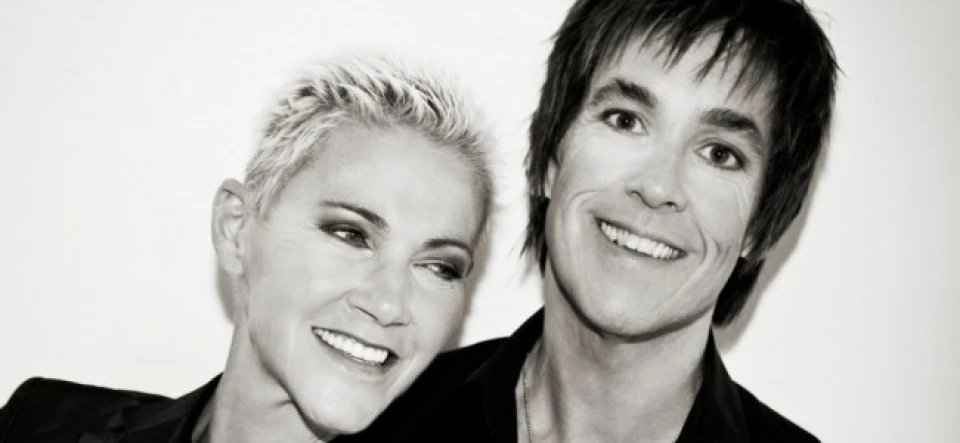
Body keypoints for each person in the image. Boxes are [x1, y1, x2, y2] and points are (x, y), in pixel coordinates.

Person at [339, 0, 839, 442]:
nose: (657, 186)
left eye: (719, 154)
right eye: (626, 120)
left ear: (761, 225)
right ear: (550, 159)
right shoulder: (380, 419)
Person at [0, 53, 496, 442]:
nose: (389, 304)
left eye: (439, 267)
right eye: (351, 234)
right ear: (236, 228)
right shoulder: (41, 423)